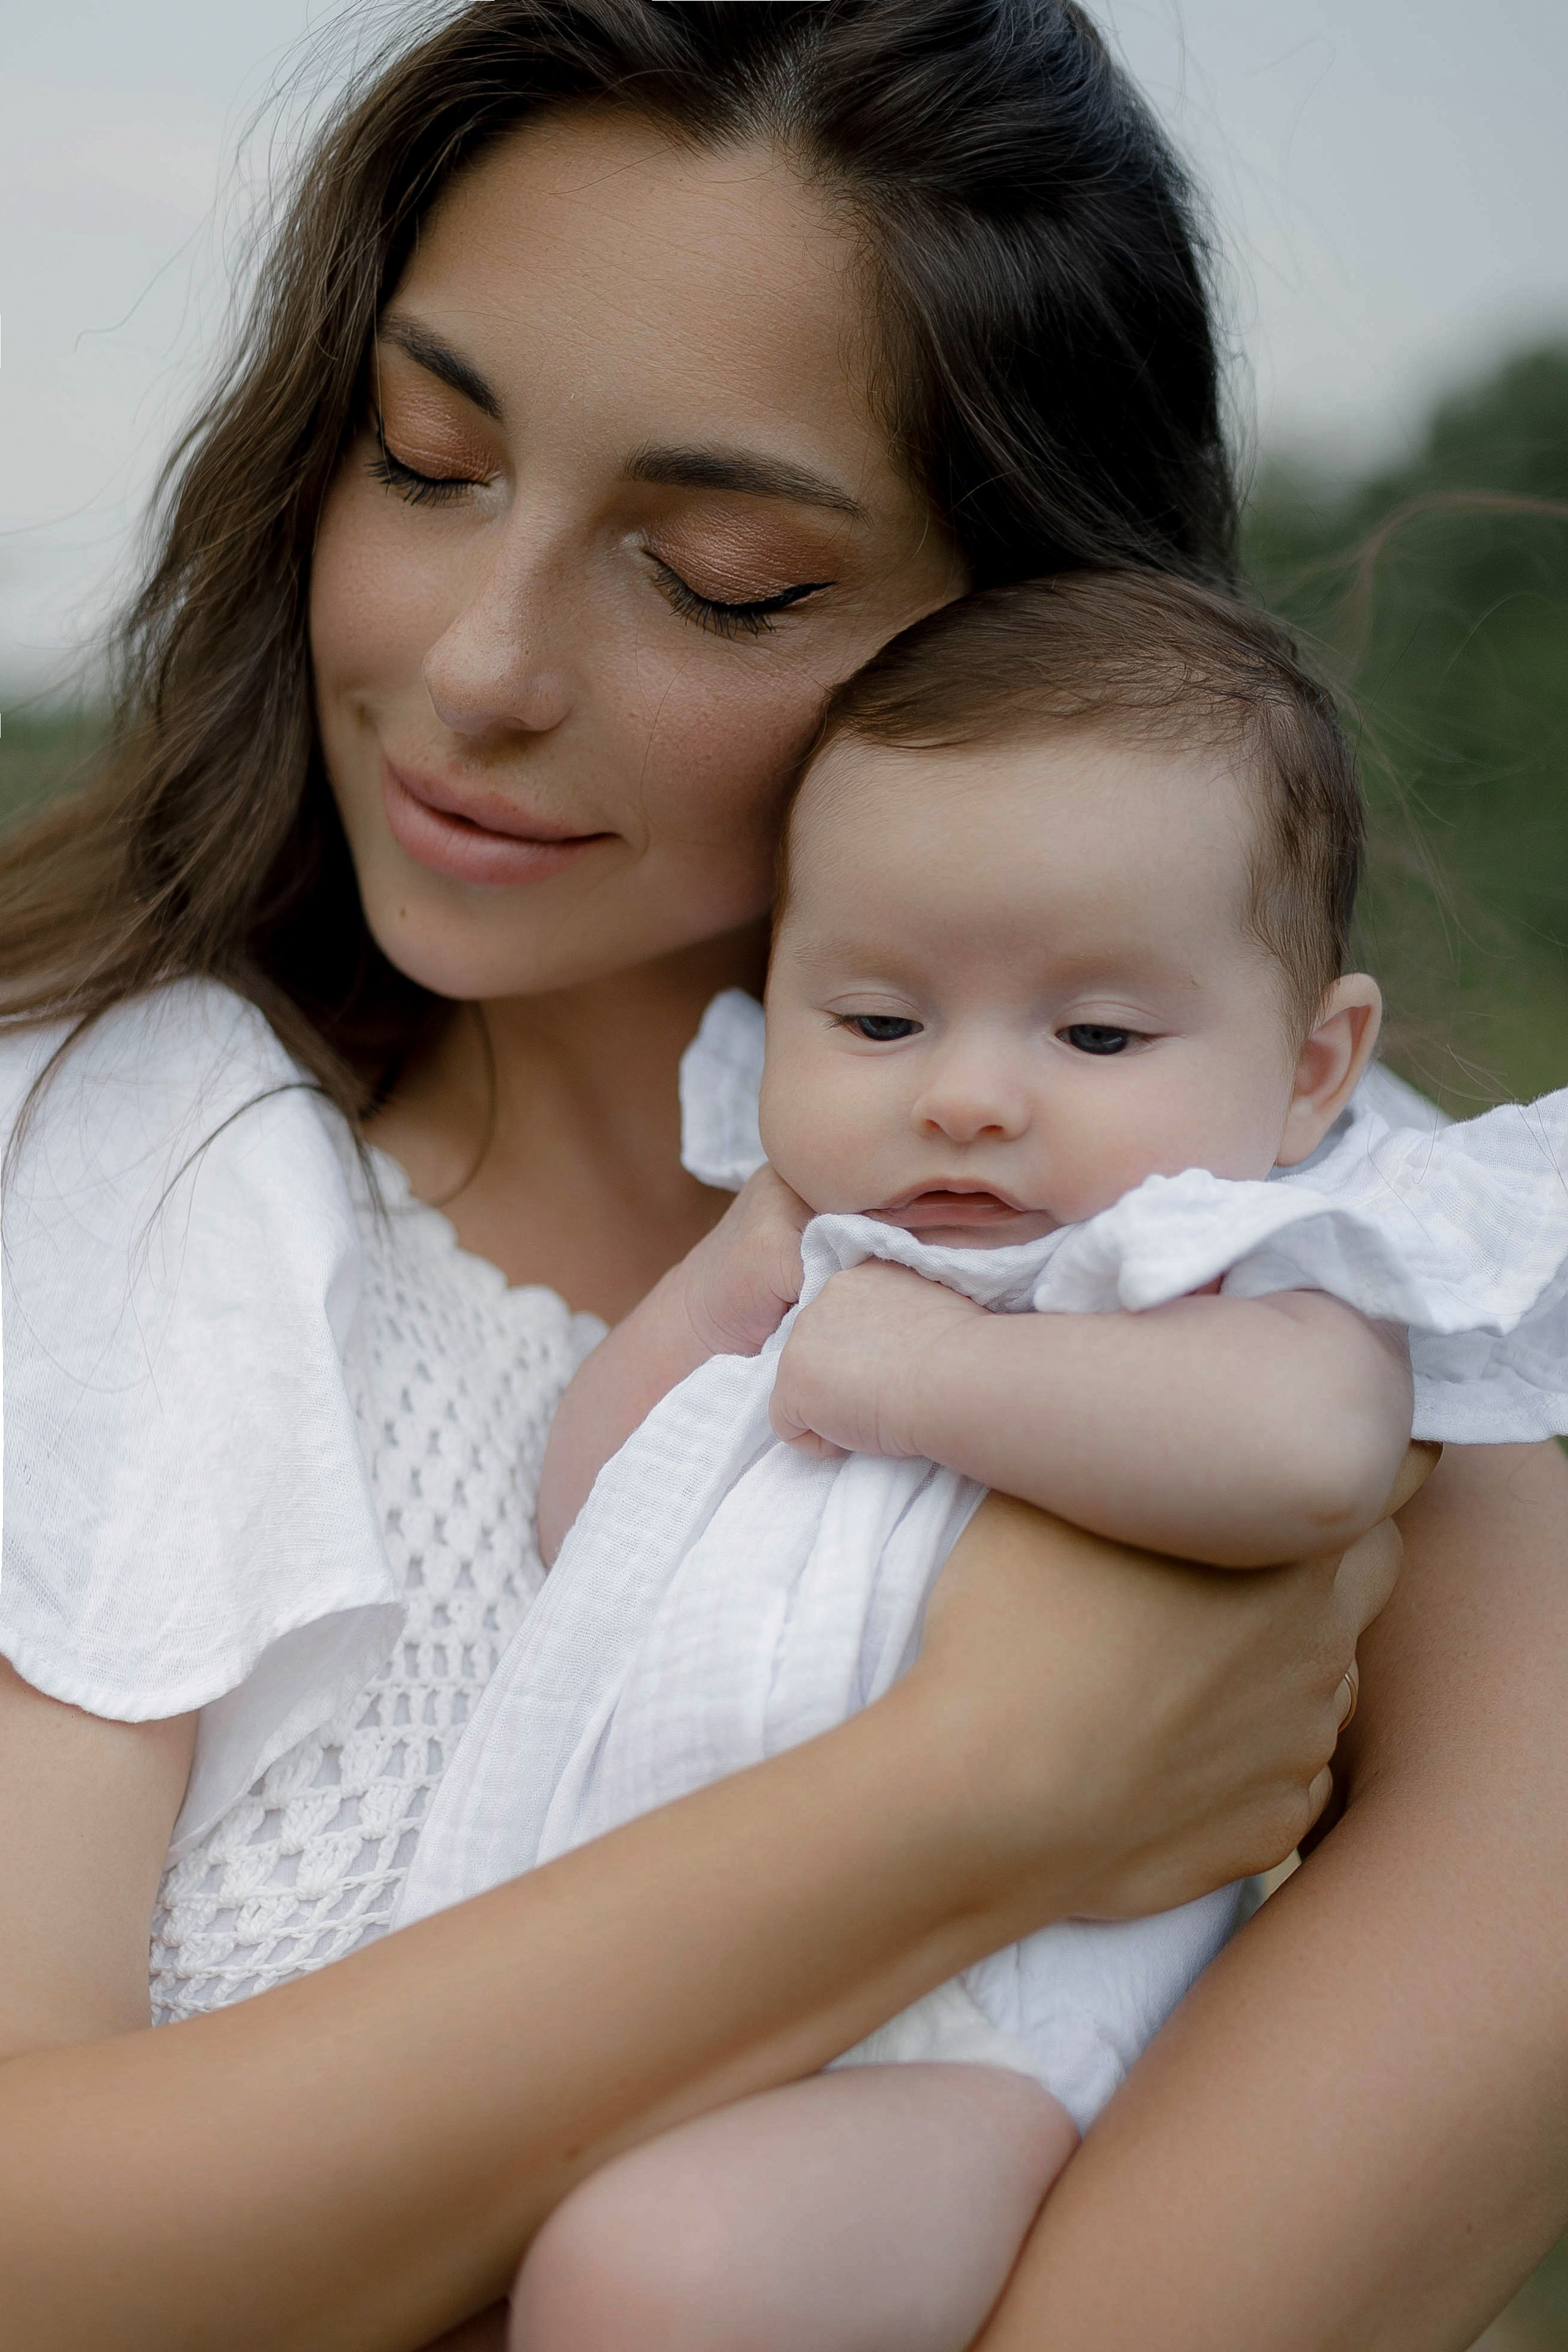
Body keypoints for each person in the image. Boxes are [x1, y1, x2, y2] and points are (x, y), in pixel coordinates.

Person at [0, 7, 1560, 2349]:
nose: (479, 665)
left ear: (1025, 630)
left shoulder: (1330, 1250)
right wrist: (999, 1786)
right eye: (426, 461)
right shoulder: (132, 1156)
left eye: (721, 578)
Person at [500, 569, 1567, 2352]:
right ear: (775, 1002)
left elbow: (1314, 1453)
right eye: (881, 1021)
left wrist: (928, 1371)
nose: (971, 1097)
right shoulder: (802, 1254)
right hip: (667, 1980)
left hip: (972, 2035)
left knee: (657, 2282)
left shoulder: (1231, 1254)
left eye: (1093, 1035)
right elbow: (583, 1517)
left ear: (1316, 1069)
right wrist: (716, 1304)